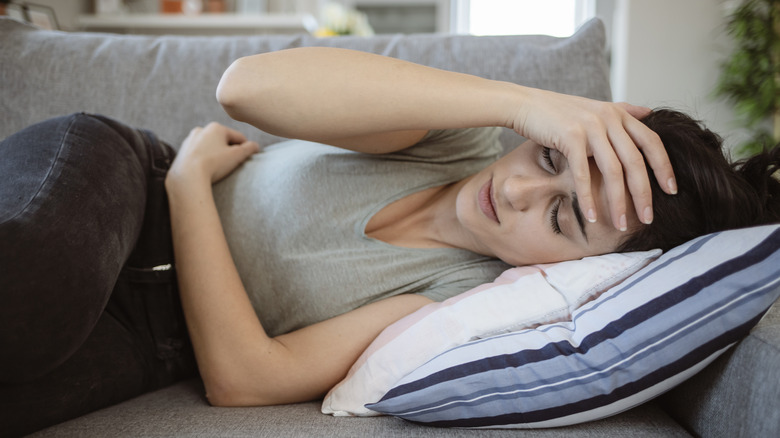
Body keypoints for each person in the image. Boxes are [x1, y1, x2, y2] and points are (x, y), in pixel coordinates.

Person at [2, 48, 778, 436]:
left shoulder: (458, 300)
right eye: (547, 159)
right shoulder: (454, 137)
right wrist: (522, 103)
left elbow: (243, 377)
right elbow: (243, 87)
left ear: (589, 269)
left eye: (562, 219)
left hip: (157, 327)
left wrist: (190, 190)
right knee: (31, 293)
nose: (516, 191)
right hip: (121, 183)